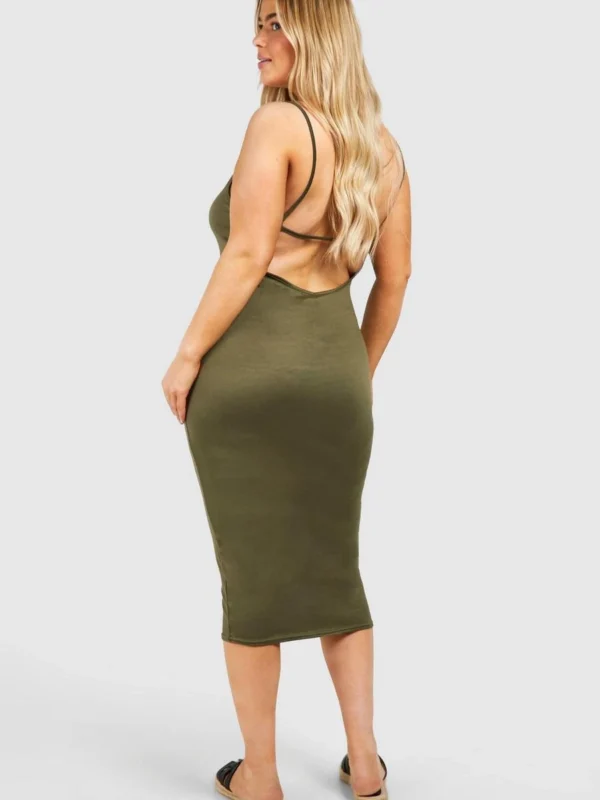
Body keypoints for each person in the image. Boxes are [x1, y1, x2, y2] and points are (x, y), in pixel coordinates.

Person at [161, 1, 411, 798]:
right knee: (337, 570)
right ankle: (365, 766)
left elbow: (246, 253)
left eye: (275, 22)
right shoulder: (383, 150)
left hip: (246, 383)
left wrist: (187, 356)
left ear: (317, 33)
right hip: (336, 383)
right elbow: (395, 279)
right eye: (258, 22)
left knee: (253, 578)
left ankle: (260, 775)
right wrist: (352, 374)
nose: (258, 38)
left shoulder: (277, 127)